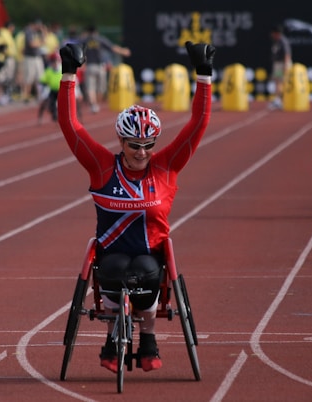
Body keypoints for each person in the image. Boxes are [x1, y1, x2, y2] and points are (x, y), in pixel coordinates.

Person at [57, 40, 215, 373]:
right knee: (114, 274)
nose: (142, 152)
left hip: (151, 257)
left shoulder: (166, 166)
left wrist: (203, 76)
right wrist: (69, 72)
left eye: (148, 145)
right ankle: (114, 337)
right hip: (110, 255)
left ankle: (148, 338)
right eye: (134, 146)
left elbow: (197, 126)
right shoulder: (102, 166)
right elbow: (71, 126)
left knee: (145, 276)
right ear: (121, 142)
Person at [79, 25, 131, 113]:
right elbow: (112, 48)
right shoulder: (100, 39)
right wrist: (123, 51)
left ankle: (94, 105)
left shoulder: (84, 41)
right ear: (96, 32)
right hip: (100, 66)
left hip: (90, 66)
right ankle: (96, 104)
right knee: (101, 88)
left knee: (90, 88)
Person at [269, 24, 292, 110]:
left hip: (282, 64)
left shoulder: (283, 41)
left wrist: (286, 66)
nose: (272, 35)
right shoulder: (277, 41)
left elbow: (287, 54)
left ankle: (280, 100)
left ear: (276, 33)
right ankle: (278, 100)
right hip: (278, 64)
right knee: (277, 81)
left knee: (280, 82)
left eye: (273, 33)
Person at [38, 52, 61, 122]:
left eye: (56, 61)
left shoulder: (63, 69)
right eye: (53, 61)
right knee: (46, 101)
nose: (55, 63)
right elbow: (42, 80)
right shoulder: (49, 71)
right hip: (51, 90)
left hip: (61, 90)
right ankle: (42, 116)